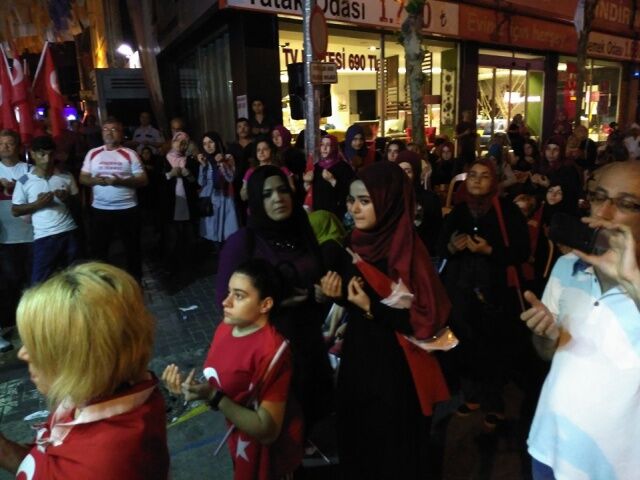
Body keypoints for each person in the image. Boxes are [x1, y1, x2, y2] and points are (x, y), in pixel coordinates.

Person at [321, 161, 451, 479]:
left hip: (397, 366)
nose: (354, 208)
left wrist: (371, 307)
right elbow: (354, 301)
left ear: (388, 201)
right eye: (352, 200)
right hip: (359, 356)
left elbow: (424, 321)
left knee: (392, 443)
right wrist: (337, 295)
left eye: (365, 201)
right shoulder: (355, 243)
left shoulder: (408, 251)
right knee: (359, 434)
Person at [521, 161, 640, 480]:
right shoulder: (567, 265)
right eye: (599, 197)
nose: (605, 212)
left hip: (617, 468)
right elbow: (547, 353)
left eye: (626, 203)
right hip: (549, 447)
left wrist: (634, 286)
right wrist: (545, 336)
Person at [0, 262, 169, 479]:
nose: (23, 353)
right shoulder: (101, 391)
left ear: (81, 363)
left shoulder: (100, 467)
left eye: (38, 345)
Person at [216, 165, 334, 432]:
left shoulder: (301, 229)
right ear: (256, 200)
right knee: (279, 425)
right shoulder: (243, 242)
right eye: (267, 194)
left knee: (308, 418)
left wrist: (319, 292)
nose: (278, 199)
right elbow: (226, 304)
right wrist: (277, 304)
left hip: (307, 341)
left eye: (283, 191)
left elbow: (315, 272)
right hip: (268, 348)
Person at [163, 259, 303, 480]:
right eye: (229, 292)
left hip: (270, 458)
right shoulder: (226, 328)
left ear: (265, 305)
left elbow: (268, 431)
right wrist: (193, 389)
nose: (225, 302)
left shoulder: (272, 352)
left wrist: (214, 396)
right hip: (240, 440)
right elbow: (225, 387)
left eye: (238, 295)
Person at [437, 159, 529, 429]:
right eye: (473, 175)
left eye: (484, 175)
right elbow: (441, 247)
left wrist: (489, 251)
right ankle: (472, 395)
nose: (477, 180)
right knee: (465, 342)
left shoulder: (507, 211)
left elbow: (522, 251)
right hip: (461, 289)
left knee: (493, 345)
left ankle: (494, 402)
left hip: (495, 292)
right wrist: (452, 247)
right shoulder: (459, 211)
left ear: (494, 181)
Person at [79, 119, 148, 281]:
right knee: (99, 250)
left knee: (132, 249)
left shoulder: (130, 154)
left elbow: (143, 180)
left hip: (127, 209)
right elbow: (82, 178)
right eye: (105, 129)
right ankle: (101, 283)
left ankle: (135, 282)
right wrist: (95, 180)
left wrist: (120, 181)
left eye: (114, 129)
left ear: (121, 134)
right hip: (100, 210)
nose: (109, 133)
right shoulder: (93, 153)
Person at [11, 136, 80, 284]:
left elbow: (79, 205)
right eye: (42, 154)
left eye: (50, 154)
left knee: (74, 278)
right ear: (33, 154)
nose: (47, 159)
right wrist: (37, 204)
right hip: (44, 237)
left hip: (69, 233)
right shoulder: (24, 180)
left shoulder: (66, 176)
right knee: (40, 282)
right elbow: (15, 210)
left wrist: (66, 199)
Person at [0, 130, 32, 351]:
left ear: (18, 146)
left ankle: (31, 324)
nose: (5, 147)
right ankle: (8, 324)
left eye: (10, 143)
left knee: (30, 283)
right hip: (5, 237)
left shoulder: (28, 169)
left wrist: (17, 186)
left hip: (29, 234)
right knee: (8, 283)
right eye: (2, 144)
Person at [161, 131, 200, 283]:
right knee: (172, 238)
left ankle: (188, 266)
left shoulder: (190, 161)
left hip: (187, 204)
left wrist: (188, 175)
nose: (181, 145)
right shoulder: (164, 160)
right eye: (178, 141)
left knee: (189, 236)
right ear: (172, 142)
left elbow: (197, 183)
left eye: (185, 142)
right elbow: (157, 183)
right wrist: (169, 174)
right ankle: (171, 267)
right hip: (171, 205)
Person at [397, 150, 442, 257]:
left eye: (408, 171)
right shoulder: (391, 198)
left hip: (422, 255)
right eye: (399, 171)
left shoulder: (430, 200)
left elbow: (436, 235)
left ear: (416, 172)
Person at [197, 131, 238, 247]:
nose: (208, 146)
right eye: (205, 144)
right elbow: (201, 182)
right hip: (210, 199)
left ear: (217, 142)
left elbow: (230, 178)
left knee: (227, 231)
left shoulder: (227, 157)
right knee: (212, 232)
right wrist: (203, 166)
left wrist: (222, 163)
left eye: (211, 142)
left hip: (225, 197)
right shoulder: (205, 160)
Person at [304, 135, 354, 218]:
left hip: (336, 213)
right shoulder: (317, 167)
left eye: (328, 145)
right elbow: (314, 192)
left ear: (334, 147)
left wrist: (332, 180)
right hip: (319, 212)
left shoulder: (343, 167)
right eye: (322, 145)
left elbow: (349, 192)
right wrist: (307, 183)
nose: (324, 148)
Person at [227, 118, 253, 225]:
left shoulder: (255, 145)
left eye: (245, 126)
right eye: (239, 127)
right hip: (237, 182)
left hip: (252, 181)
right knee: (240, 210)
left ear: (249, 128)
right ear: (236, 130)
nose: (242, 129)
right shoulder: (232, 147)